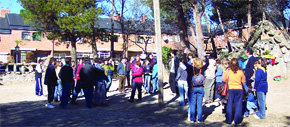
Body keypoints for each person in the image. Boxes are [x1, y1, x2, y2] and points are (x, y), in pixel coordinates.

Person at [223, 58, 245, 124]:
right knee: (238, 105)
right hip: (239, 89)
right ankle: (237, 120)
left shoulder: (228, 71)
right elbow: (243, 81)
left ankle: (229, 120)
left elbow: (224, 79)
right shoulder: (240, 71)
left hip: (231, 89)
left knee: (229, 104)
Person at [188, 58, 205, 123]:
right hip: (200, 88)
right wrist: (205, 57)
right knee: (199, 104)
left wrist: (184, 54)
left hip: (193, 88)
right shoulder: (202, 69)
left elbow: (186, 64)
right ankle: (199, 119)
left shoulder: (191, 69)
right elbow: (207, 64)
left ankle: (192, 118)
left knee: (192, 104)